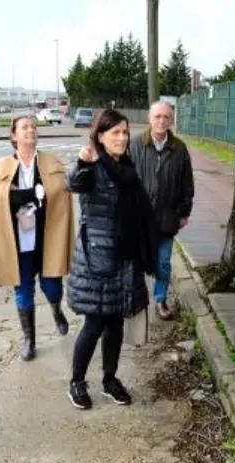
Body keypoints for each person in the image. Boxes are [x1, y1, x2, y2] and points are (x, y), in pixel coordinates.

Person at [65, 109, 158, 410]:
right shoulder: (94, 165)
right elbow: (74, 183)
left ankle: (109, 379)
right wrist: (82, 163)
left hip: (124, 258)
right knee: (94, 322)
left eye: (125, 132)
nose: (122, 137)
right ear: (100, 136)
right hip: (98, 260)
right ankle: (76, 382)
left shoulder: (126, 167)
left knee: (116, 321)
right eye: (115, 132)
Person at [0, 116, 75, 361]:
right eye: (25, 127)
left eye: (33, 127)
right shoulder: (3, 165)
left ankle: (56, 310)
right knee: (23, 290)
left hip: (46, 237)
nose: (31, 130)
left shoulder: (50, 162)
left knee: (52, 286)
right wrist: (29, 196)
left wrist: (21, 196)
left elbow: (58, 197)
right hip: (18, 241)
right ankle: (29, 340)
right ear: (14, 135)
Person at [129, 100, 194, 320]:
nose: (162, 121)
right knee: (136, 263)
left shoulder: (179, 148)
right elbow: (125, 179)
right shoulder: (135, 144)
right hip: (139, 219)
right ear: (150, 119)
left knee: (163, 264)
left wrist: (184, 212)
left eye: (166, 117)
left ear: (171, 120)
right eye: (157, 116)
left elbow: (187, 184)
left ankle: (160, 299)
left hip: (167, 217)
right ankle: (136, 301)